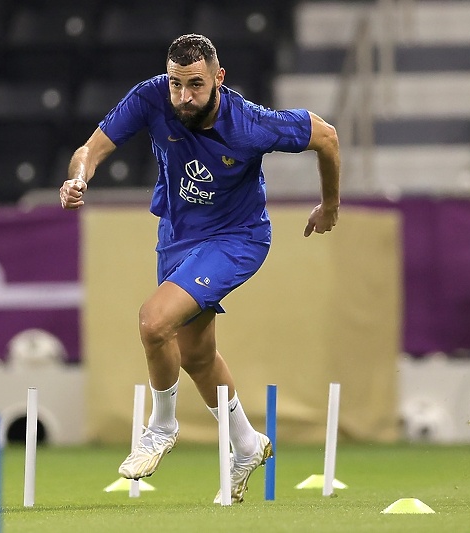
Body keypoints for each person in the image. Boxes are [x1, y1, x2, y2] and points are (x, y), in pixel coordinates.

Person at [59, 34, 340, 503]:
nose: (183, 96)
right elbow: (92, 148)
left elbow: (326, 136)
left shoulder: (249, 123)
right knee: (195, 355)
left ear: (218, 78)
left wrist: (330, 205)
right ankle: (247, 444)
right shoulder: (151, 96)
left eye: (195, 85)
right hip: (176, 237)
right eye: (176, 84)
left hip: (238, 238)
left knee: (154, 322)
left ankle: (161, 426)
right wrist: (78, 177)